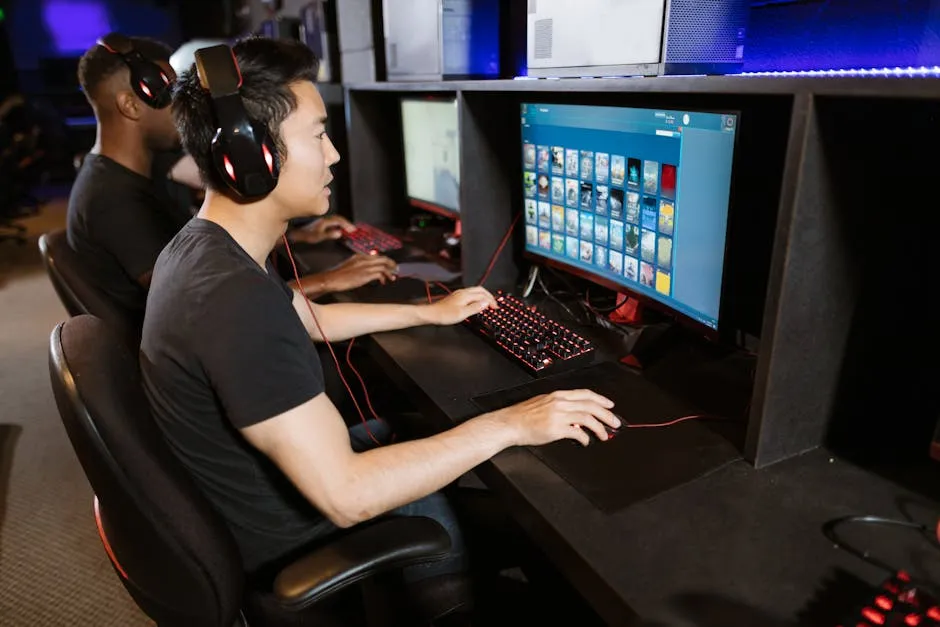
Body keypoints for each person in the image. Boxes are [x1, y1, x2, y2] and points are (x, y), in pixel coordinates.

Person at [140, 37, 619, 625]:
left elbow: (302, 317)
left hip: (267, 503)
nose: (335, 154)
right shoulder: (228, 299)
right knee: (542, 517)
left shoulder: (204, 248)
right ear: (251, 153)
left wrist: (427, 313)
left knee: (456, 441)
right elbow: (348, 496)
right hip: (307, 541)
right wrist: (511, 423)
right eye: (318, 134)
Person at [66, 34, 395, 339]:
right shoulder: (113, 199)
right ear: (130, 105)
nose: (181, 110)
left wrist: (291, 237)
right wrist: (328, 280)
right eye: (169, 96)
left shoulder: (126, 177)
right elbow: (203, 301)